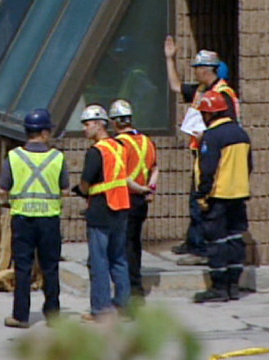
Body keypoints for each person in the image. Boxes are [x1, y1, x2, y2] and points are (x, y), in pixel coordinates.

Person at [164, 36, 241, 265]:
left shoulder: (223, 93)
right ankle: (194, 241)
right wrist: (170, 58)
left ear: (208, 70)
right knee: (195, 197)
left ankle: (201, 249)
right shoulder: (201, 90)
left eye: (198, 68)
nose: (195, 72)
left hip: (214, 155)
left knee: (203, 199)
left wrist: (206, 137)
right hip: (200, 151)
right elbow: (176, 86)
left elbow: (226, 127)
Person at [0, 109, 69, 329]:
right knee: (50, 267)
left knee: (22, 268)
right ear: (45, 132)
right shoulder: (57, 158)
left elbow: (2, 190)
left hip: (22, 219)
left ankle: (20, 316)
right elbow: (64, 190)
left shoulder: (14, 157)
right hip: (49, 219)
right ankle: (53, 315)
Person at [72, 104, 133, 321]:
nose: (84, 129)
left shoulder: (96, 151)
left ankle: (101, 310)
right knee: (119, 259)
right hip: (121, 207)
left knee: (99, 261)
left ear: (99, 124)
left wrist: (81, 191)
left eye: (87, 124)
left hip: (101, 209)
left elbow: (86, 183)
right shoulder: (119, 146)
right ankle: (124, 308)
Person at [192, 91, 251, 303]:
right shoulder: (241, 134)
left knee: (216, 241)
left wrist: (202, 195)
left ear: (209, 114)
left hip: (218, 195)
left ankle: (219, 288)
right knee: (236, 238)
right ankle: (234, 285)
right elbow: (249, 165)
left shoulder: (212, 136)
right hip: (239, 193)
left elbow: (208, 169)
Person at [109, 99, 159, 302]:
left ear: (114, 122)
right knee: (135, 244)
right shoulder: (147, 141)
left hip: (126, 200)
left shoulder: (118, 145)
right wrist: (150, 189)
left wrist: (141, 188)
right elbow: (155, 168)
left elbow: (123, 177)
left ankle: (131, 291)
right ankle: (135, 288)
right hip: (141, 202)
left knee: (124, 247)